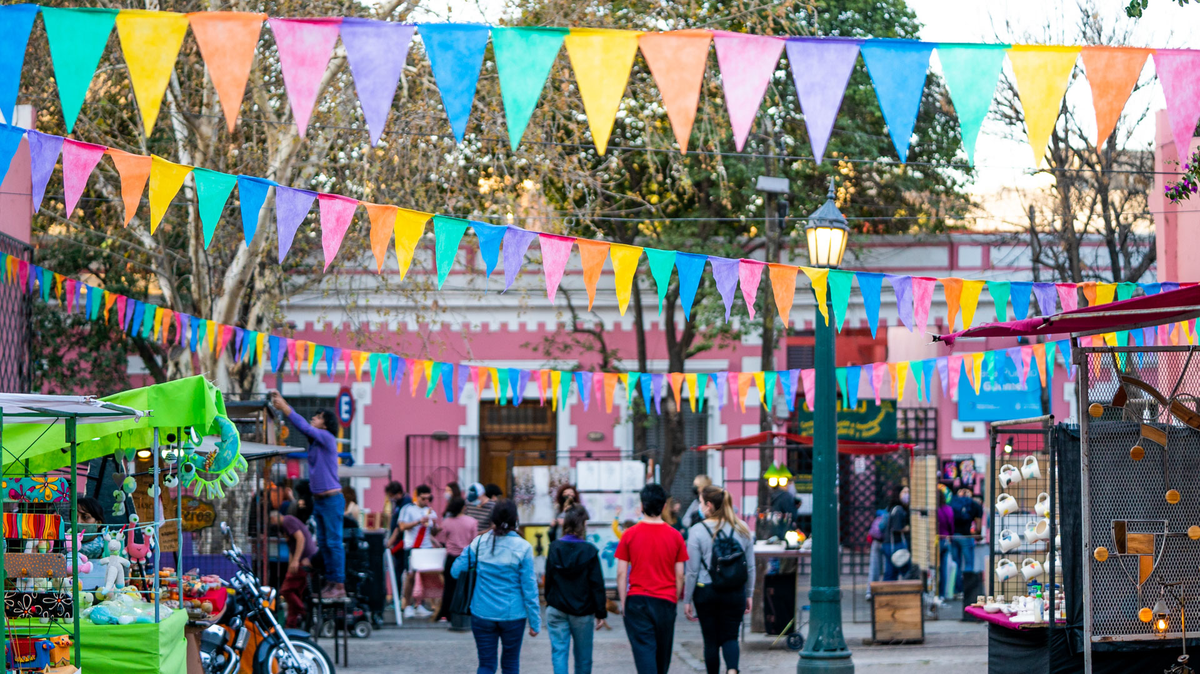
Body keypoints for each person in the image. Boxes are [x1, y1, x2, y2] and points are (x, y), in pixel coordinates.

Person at [270, 391, 346, 598]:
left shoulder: (328, 438)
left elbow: (303, 426)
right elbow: (306, 428)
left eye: (318, 416)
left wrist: (286, 407)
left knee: (333, 543)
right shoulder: (317, 442)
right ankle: (331, 581)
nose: (314, 417)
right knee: (325, 543)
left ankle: (339, 584)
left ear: (326, 424)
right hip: (321, 501)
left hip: (331, 500)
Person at [452, 499, 540, 674]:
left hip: (482, 612)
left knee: (485, 665)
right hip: (513, 615)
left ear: (493, 519)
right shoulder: (523, 547)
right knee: (510, 664)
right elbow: (529, 589)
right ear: (516, 518)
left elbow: (456, 571)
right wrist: (535, 622)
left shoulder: (479, 543)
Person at [616, 483, 688, 674]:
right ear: (664, 506)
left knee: (644, 652)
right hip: (665, 601)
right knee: (663, 655)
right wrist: (675, 597)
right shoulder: (675, 536)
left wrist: (624, 602)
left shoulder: (629, 535)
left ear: (642, 506)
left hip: (637, 600)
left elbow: (622, 573)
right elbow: (680, 573)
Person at [683, 487, 755, 674]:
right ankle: (732, 670)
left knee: (711, 641)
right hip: (735, 591)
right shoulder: (742, 528)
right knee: (731, 637)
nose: (699, 506)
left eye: (700, 502)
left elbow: (692, 571)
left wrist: (687, 599)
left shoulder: (697, 531)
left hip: (706, 591)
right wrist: (749, 594)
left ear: (708, 505)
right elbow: (750, 567)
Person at [544, 506, 607, 674]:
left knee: (559, 653)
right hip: (583, 611)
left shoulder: (554, 547)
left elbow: (548, 578)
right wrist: (601, 612)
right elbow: (597, 584)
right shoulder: (589, 550)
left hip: (557, 608)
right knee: (583, 657)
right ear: (582, 525)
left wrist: (549, 601)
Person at [435, 496, 478, 624]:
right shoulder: (472, 522)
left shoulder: (447, 522)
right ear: (464, 507)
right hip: (466, 558)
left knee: (449, 587)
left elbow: (441, 539)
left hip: (451, 558)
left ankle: (446, 614)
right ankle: (466, 611)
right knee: (468, 586)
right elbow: (474, 541)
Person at [398, 485, 439, 618]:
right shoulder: (408, 509)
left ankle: (419, 604)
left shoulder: (430, 511)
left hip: (426, 547)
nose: (426, 501)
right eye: (423, 498)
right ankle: (407, 605)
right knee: (410, 576)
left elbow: (433, 532)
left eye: (428, 498)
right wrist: (418, 522)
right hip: (412, 546)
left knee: (423, 577)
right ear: (417, 496)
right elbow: (402, 526)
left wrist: (436, 527)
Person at [271, 510, 317, 627]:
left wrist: (296, 560)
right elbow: (292, 547)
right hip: (304, 559)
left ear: (275, 518)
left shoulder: (287, 521)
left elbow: (300, 539)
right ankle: (291, 625)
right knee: (294, 593)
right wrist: (290, 565)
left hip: (304, 560)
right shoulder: (286, 526)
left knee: (286, 590)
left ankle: (303, 611)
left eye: (272, 521)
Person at [949, 486, 983, 598]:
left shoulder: (952, 502)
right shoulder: (975, 505)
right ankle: (967, 591)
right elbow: (978, 528)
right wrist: (976, 534)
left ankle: (956, 590)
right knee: (968, 564)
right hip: (966, 537)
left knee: (956, 564)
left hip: (953, 536)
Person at [385, 481, 411, 603]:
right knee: (398, 571)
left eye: (392, 495)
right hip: (398, 543)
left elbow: (399, 527)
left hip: (402, 543)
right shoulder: (398, 503)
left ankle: (402, 599)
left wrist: (390, 541)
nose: (391, 498)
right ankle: (397, 598)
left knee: (402, 571)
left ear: (399, 493)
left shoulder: (406, 503)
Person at [882, 485, 911, 581]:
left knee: (890, 572)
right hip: (895, 545)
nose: (907, 495)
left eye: (908, 492)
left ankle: (886, 593)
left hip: (889, 544)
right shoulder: (898, 510)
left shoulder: (894, 508)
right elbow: (896, 528)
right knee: (905, 571)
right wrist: (907, 529)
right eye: (905, 492)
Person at [936, 485, 955, 598]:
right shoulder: (948, 509)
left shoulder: (934, 510)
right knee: (943, 569)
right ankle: (942, 594)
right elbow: (951, 526)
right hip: (946, 541)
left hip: (935, 541)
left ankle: (934, 593)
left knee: (934, 568)